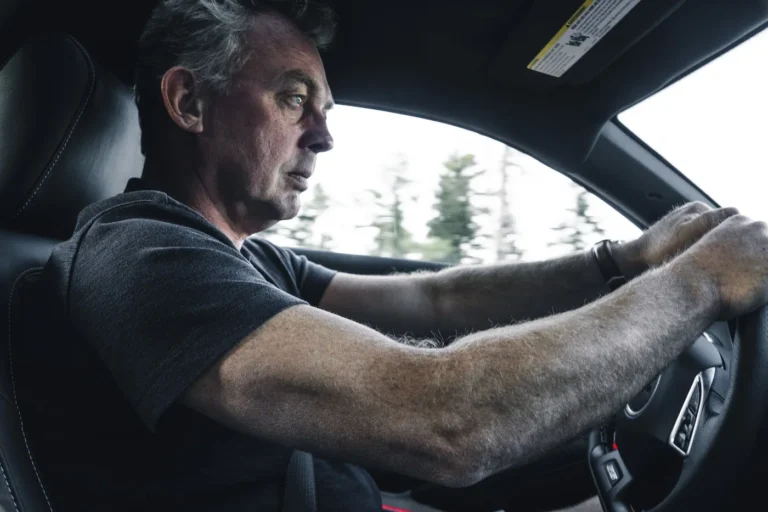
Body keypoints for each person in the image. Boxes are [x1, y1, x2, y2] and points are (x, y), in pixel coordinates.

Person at [20, 0, 768, 511]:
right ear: (188, 103)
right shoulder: (139, 257)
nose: (324, 135)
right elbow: (444, 420)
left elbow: (434, 300)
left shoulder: (242, 258)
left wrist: (624, 262)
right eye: (292, 99)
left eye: (324, 109)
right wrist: (696, 285)